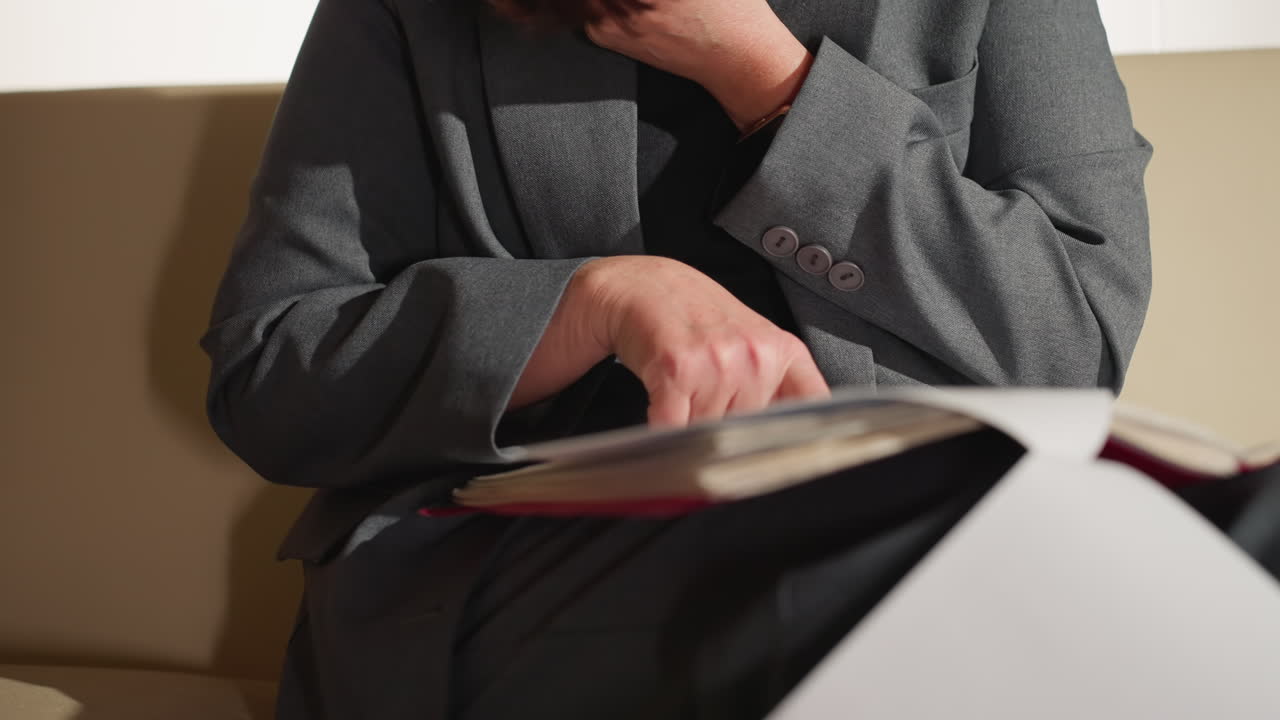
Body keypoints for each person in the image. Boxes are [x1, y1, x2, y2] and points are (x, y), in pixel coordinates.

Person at [200, 0, 1153, 717]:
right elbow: (271, 373)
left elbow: (1075, 345)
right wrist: (590, 303)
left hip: (921, 536)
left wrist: (766, 78)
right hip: (522, 566)